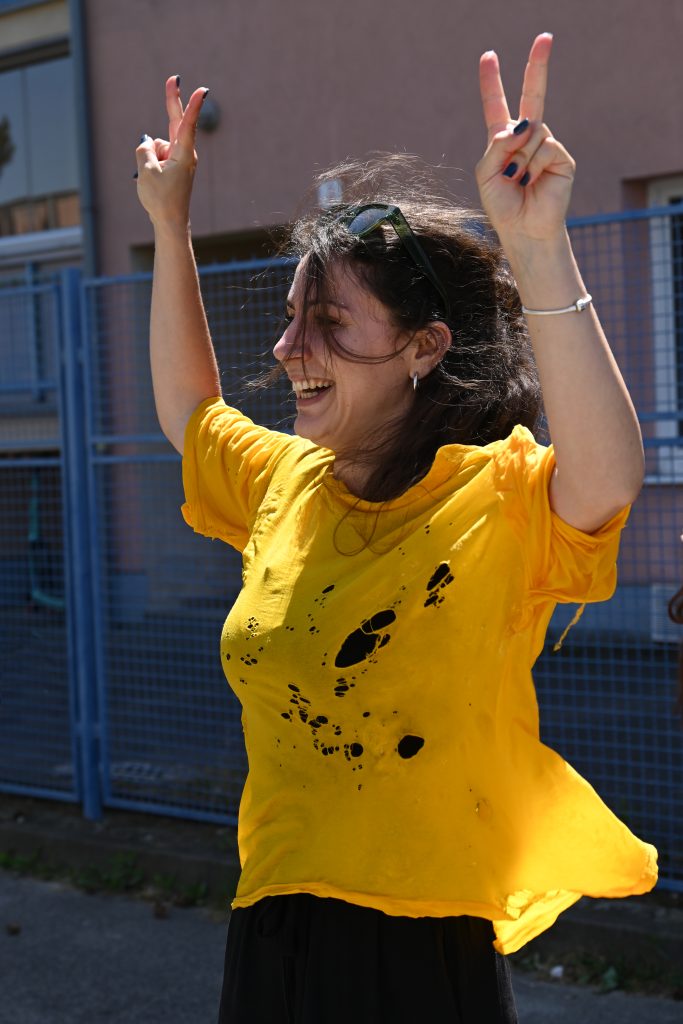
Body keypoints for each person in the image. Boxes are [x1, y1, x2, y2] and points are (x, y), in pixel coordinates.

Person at [135, 32, 657, 1024]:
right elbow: (189, 409)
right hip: (271, 931)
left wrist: (535, 245)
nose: (287, 349)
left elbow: (606, 475)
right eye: (291, 317)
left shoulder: (491, 499)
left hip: (419, 953)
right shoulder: (285, 481)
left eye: (328, 322)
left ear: (424, 348)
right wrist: (169, 223)